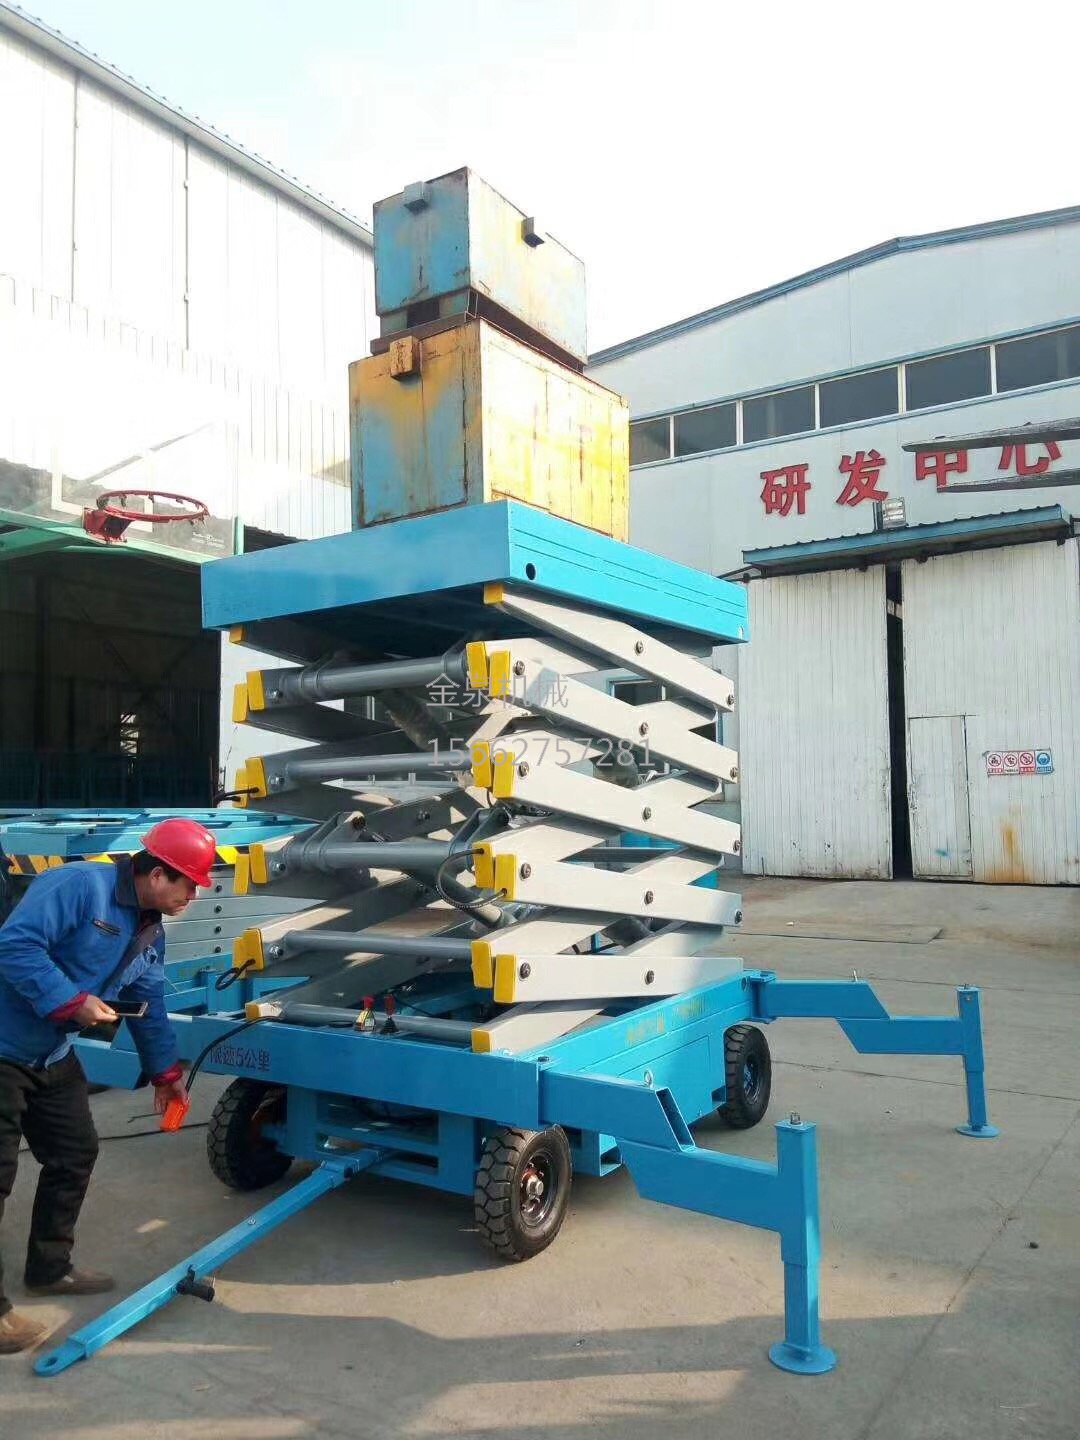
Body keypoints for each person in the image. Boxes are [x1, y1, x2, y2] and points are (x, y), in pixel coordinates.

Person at [0, 818, 217, 1354]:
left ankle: (50, 1269)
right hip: (4, 1047)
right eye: (189, 884)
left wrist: (166, 1074)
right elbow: (14, 945)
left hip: (50, 1054)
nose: (193, 896)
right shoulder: (80, 885)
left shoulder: (149, 931)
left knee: (75, 1153)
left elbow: (149, 1003)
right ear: (158, 874)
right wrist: (72, 1002)